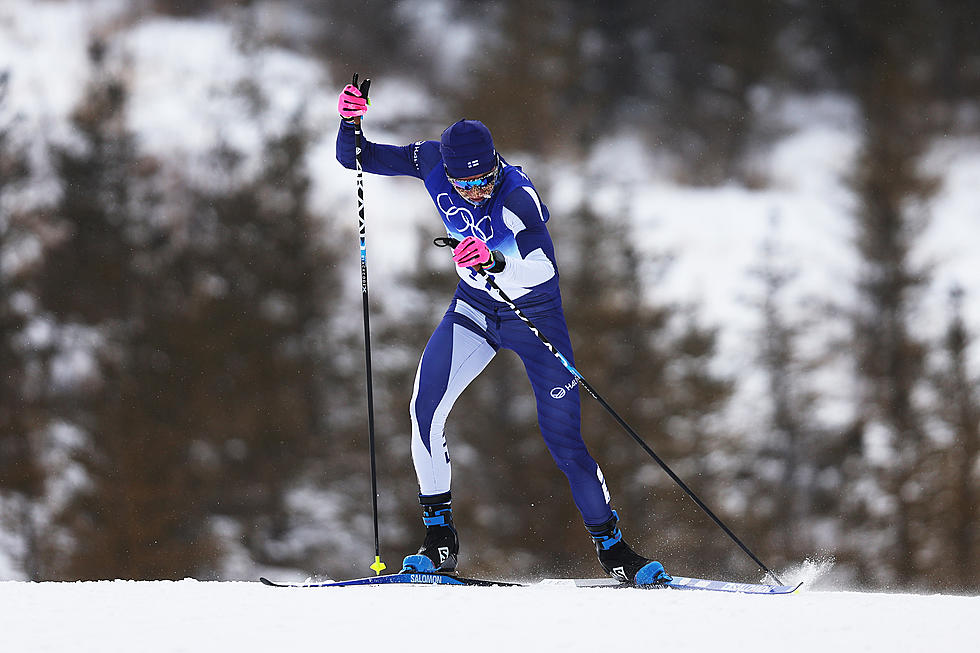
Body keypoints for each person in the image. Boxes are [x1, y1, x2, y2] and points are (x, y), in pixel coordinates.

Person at [335, 81, 670, 585]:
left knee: (565, 442)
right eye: (463, 185)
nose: (475, 192)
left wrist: (494, 258)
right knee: (423, 411)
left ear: (496, 165)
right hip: (473, 309)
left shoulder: (517, 193)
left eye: (483, 181)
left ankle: (614, 549)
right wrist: (350, 121)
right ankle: (439, 539)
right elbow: (355, 158)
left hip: (535, 320)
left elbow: (541, 263)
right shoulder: (429, 161)